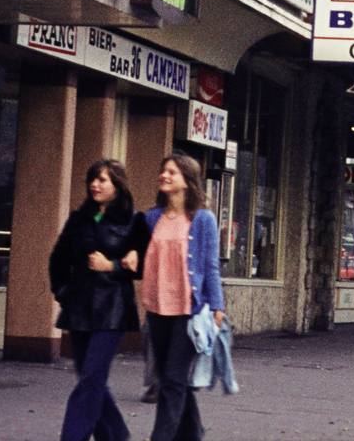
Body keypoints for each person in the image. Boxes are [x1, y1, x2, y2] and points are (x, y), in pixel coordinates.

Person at [48, 159, 149, 441]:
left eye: (102, 179)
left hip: (113, 310)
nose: (95, 184)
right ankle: (116, 435)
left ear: (117, 185)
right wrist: (64, 293)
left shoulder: (134, 222)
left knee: (92, 376)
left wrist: (114, 266)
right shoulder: (78, 218)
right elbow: (58, 259)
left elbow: (145, 267)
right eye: (92, 178)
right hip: (78, 307)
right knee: (88, 377)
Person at [141, 151, 224, 441]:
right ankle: (192, 434)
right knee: (169, 377)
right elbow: (136, 254)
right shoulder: (152, 218)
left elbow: (211, 266)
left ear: (187, 181)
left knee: (173, 380)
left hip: (189, 310)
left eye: (172, 172)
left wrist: (217, 306)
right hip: (156, 308)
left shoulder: (202, 220)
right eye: (163, 170)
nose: (164, 175)